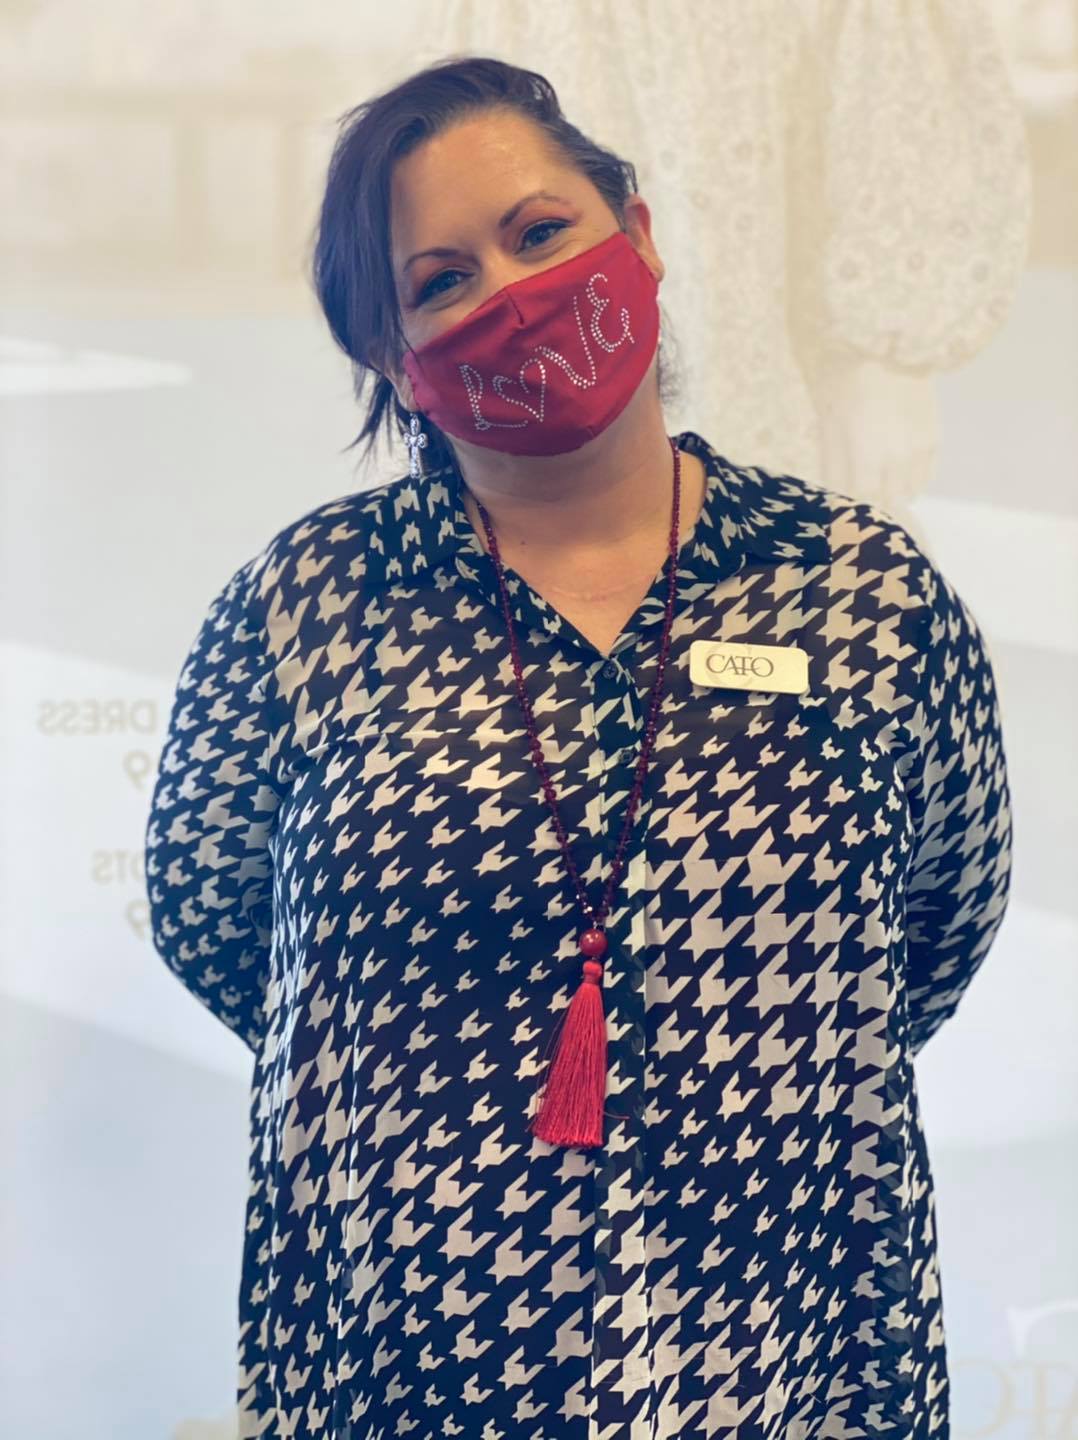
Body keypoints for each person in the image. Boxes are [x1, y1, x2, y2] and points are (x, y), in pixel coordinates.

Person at [144, 54, 1013, 1440]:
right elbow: (215, 918)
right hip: (414, 1349)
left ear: (638, 231)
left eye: (540, 232)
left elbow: (932, 926)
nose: (509, 293)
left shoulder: (862, 592)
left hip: (780, 1343)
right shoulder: (302, 607)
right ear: (394, 360)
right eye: (441, 281)